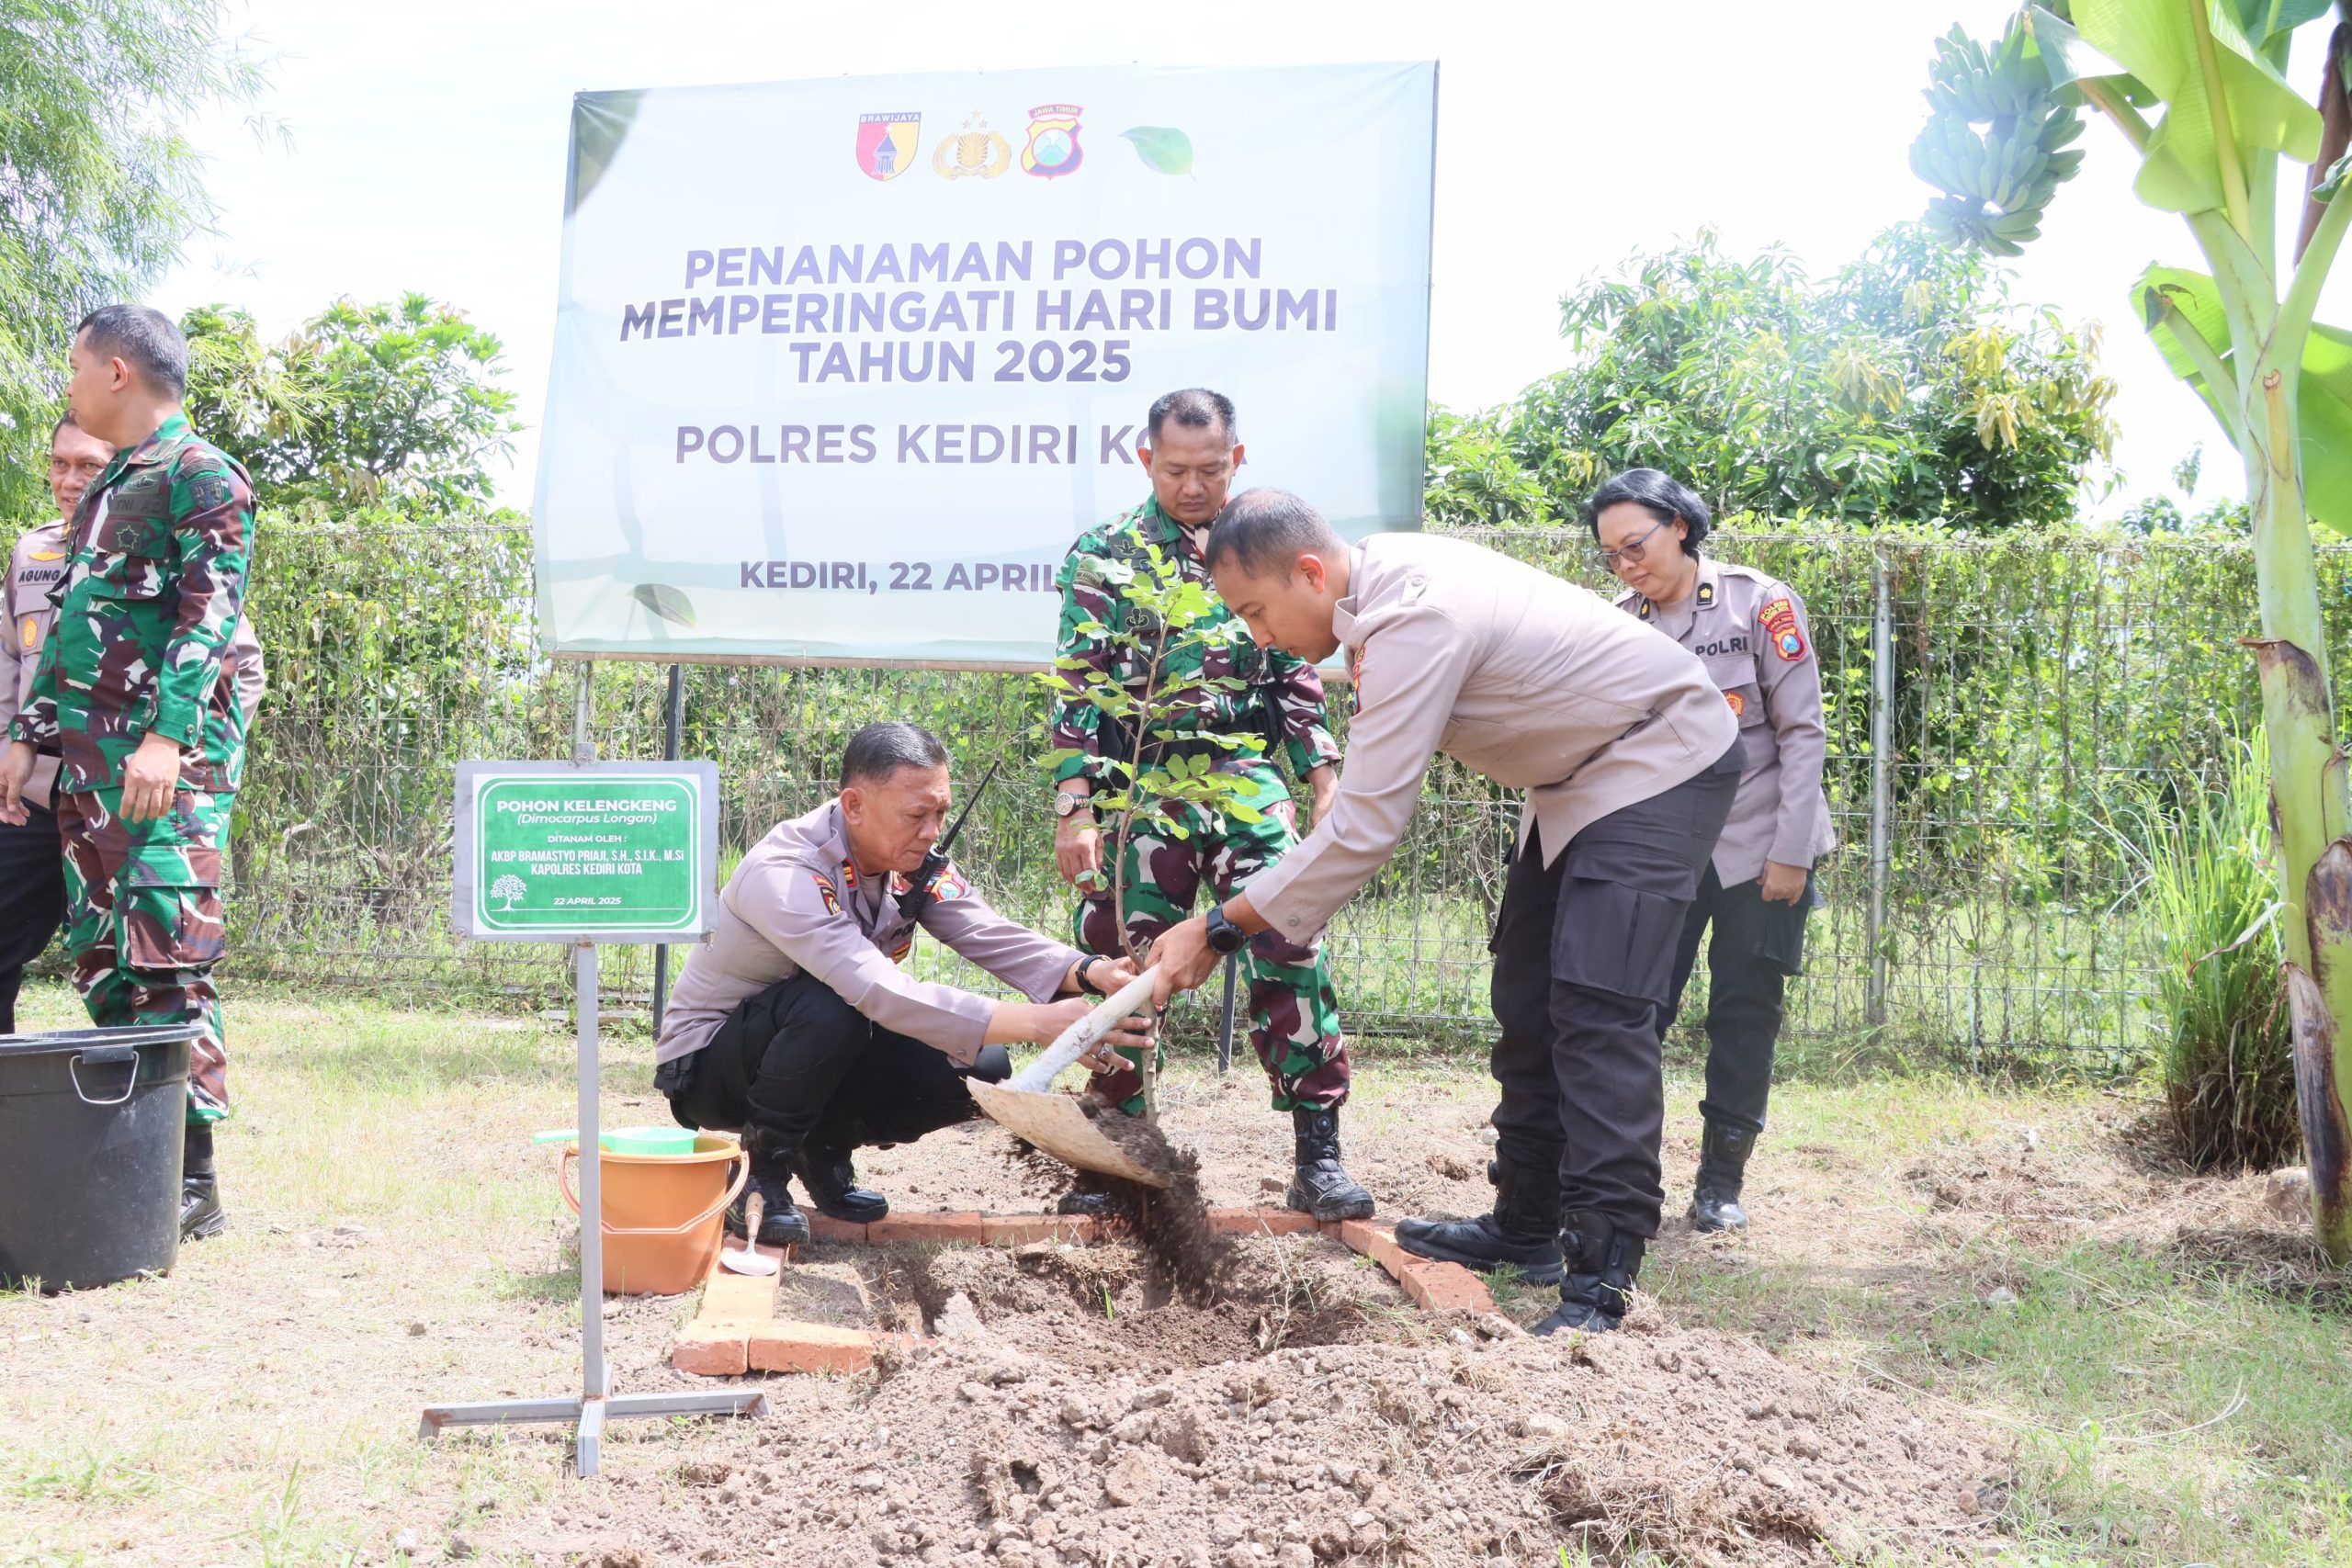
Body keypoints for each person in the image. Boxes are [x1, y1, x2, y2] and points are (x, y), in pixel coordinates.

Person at [1148, 490, 1742, 1334]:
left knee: (1597, 1009)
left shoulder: (1412, 617)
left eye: (1257, 610)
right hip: (1575, 779)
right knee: (1529, 998)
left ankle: (1605, 1274)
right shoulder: (1377, 583)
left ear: (1311, 572)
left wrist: (1219, 926)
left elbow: (1363, 826)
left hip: (1658, 757)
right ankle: (1528, 1225)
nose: (1259, 637)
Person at [1047, 389, 1370, 1222]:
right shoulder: (1108, 554)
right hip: (1141, 782)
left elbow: (1295, 664)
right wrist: (1075, 804)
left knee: (1289, 934)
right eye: (1176, 469)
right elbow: (1077, 685)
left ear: (1239, 459)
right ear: (1144, 459)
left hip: (1242, 774)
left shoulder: (1262, 539)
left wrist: (1322, 769)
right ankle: (1116, 1148)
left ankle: (1318, 1155)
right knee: (1123, 952)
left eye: (1211, 468)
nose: (1194, 486)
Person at [655, 722, 1152, 1247]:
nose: (932, 830)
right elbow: (875, 988)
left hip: (816, 1042)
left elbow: (986, 930)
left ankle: (820, 1147)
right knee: (834, 1003)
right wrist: (1039, 1023)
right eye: (917, 815)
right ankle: (763, 1177)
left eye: (940, 812)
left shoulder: (908, 862)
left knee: (980, 1064)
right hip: (711, 1068)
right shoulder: (784, 871)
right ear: (854, 806)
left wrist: (1091, 971)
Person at [0, 309, 262, 1243]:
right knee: (107, 963)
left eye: (73, 369)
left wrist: (169, 740)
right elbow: (74, 622)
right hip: (88, 771)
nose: (65, 387)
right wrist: (31, 733)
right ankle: (132, 1163)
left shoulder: (202, 475)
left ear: (116, 372)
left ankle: (194, 1179)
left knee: (169, 963)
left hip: (163, 778)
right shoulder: (113, 482)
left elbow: (210, 616)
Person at [1595, 470, 1833, 1234]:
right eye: (1611, 555)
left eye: (1637, 545)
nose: (1627, 565)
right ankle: (1629, 1175)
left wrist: (1792, 851)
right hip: (1658, 851)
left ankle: (1720, 1183)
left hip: (1757, 846)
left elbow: (1801, 733)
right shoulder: (1616, 621)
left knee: (1744, 1012)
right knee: (1637, 1011)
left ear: (1681, 527)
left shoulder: (1760, 602)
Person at [0, 414, 266, 1037]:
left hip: (136, 786)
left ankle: (175, 1124)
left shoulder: (167, 528)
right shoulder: (33, 551)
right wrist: (16, 741)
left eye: (88, 466)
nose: (71, 481)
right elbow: (15, 658)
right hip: (41, 790)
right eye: (59, 464)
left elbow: (231, 659)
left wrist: (188, 757)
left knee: (156, 960)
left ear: (119, 467)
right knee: (88, 959)